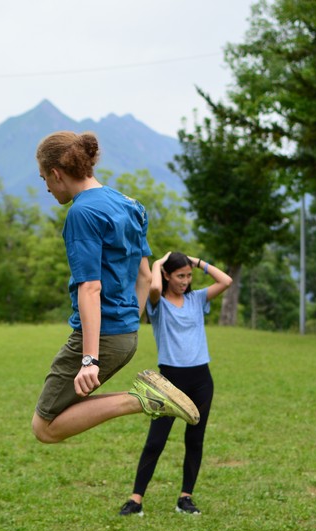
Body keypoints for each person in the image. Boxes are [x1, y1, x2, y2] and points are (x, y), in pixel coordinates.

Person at [31, 131, 200, 445]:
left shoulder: (82, 213)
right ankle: (143, 396)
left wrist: (89, 359)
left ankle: (141, 399)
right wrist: (128, 324)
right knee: (63, 410)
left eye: (45, 180)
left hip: (101, 338)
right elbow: (146, 277)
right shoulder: (129, 204)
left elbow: (90, 288)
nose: (47, 188)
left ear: (57, 173)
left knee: (45, 427)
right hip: (125, 335)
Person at [119, 251, 232, 516]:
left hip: (201, 378)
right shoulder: (157, 304)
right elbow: (154, 285)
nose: (185, 280)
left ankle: (186, 497)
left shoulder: (197, 299)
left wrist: (198, 262)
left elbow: (226, 281)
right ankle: (136, 500)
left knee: (195, 440)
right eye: (179, 275)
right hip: (169, 381)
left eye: (188, 276)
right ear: (167, 275)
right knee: (155, 441)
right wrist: (158, 262)